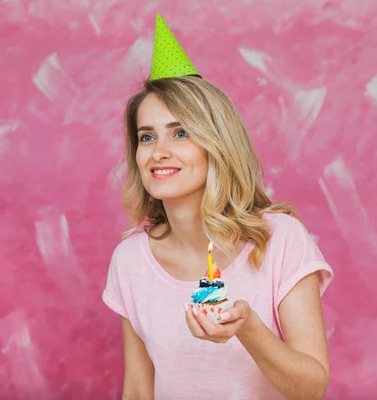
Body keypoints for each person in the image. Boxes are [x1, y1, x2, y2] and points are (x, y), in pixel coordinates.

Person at [102, 14, 334, 400]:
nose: (159, 152)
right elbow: (139, 390)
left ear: (216, 143)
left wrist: (247, 327)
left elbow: (311, 389)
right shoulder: (130, 262)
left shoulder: (279, 241)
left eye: (180, 132)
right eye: (146, 136)